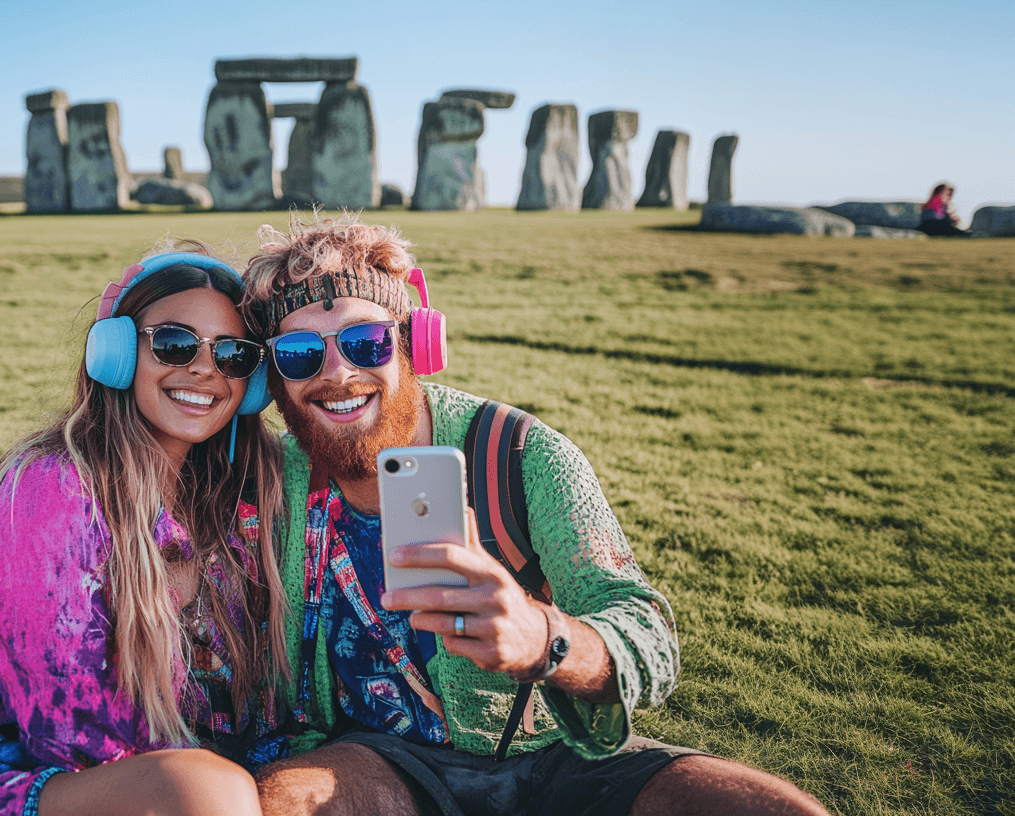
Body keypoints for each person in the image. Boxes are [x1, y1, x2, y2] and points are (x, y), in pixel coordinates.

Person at [240, 212, 830, 816]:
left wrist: (540, 637)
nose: (337, 372)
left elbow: (648, 634)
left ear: (416, 344)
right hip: (378, 762)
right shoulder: (267, 476)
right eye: (299, 351)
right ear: (273, 377)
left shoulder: (523, 453)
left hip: (558, 754)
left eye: (367, 342)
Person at [0, 248, 292, 816]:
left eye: (233, 354)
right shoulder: (46, 494)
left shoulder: (230, 491)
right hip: (22, 778)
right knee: (208, 793)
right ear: (119, 353)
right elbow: (70, 731)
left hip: (178, 766)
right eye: (176, 344)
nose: (206, 369)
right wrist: (202, 772)